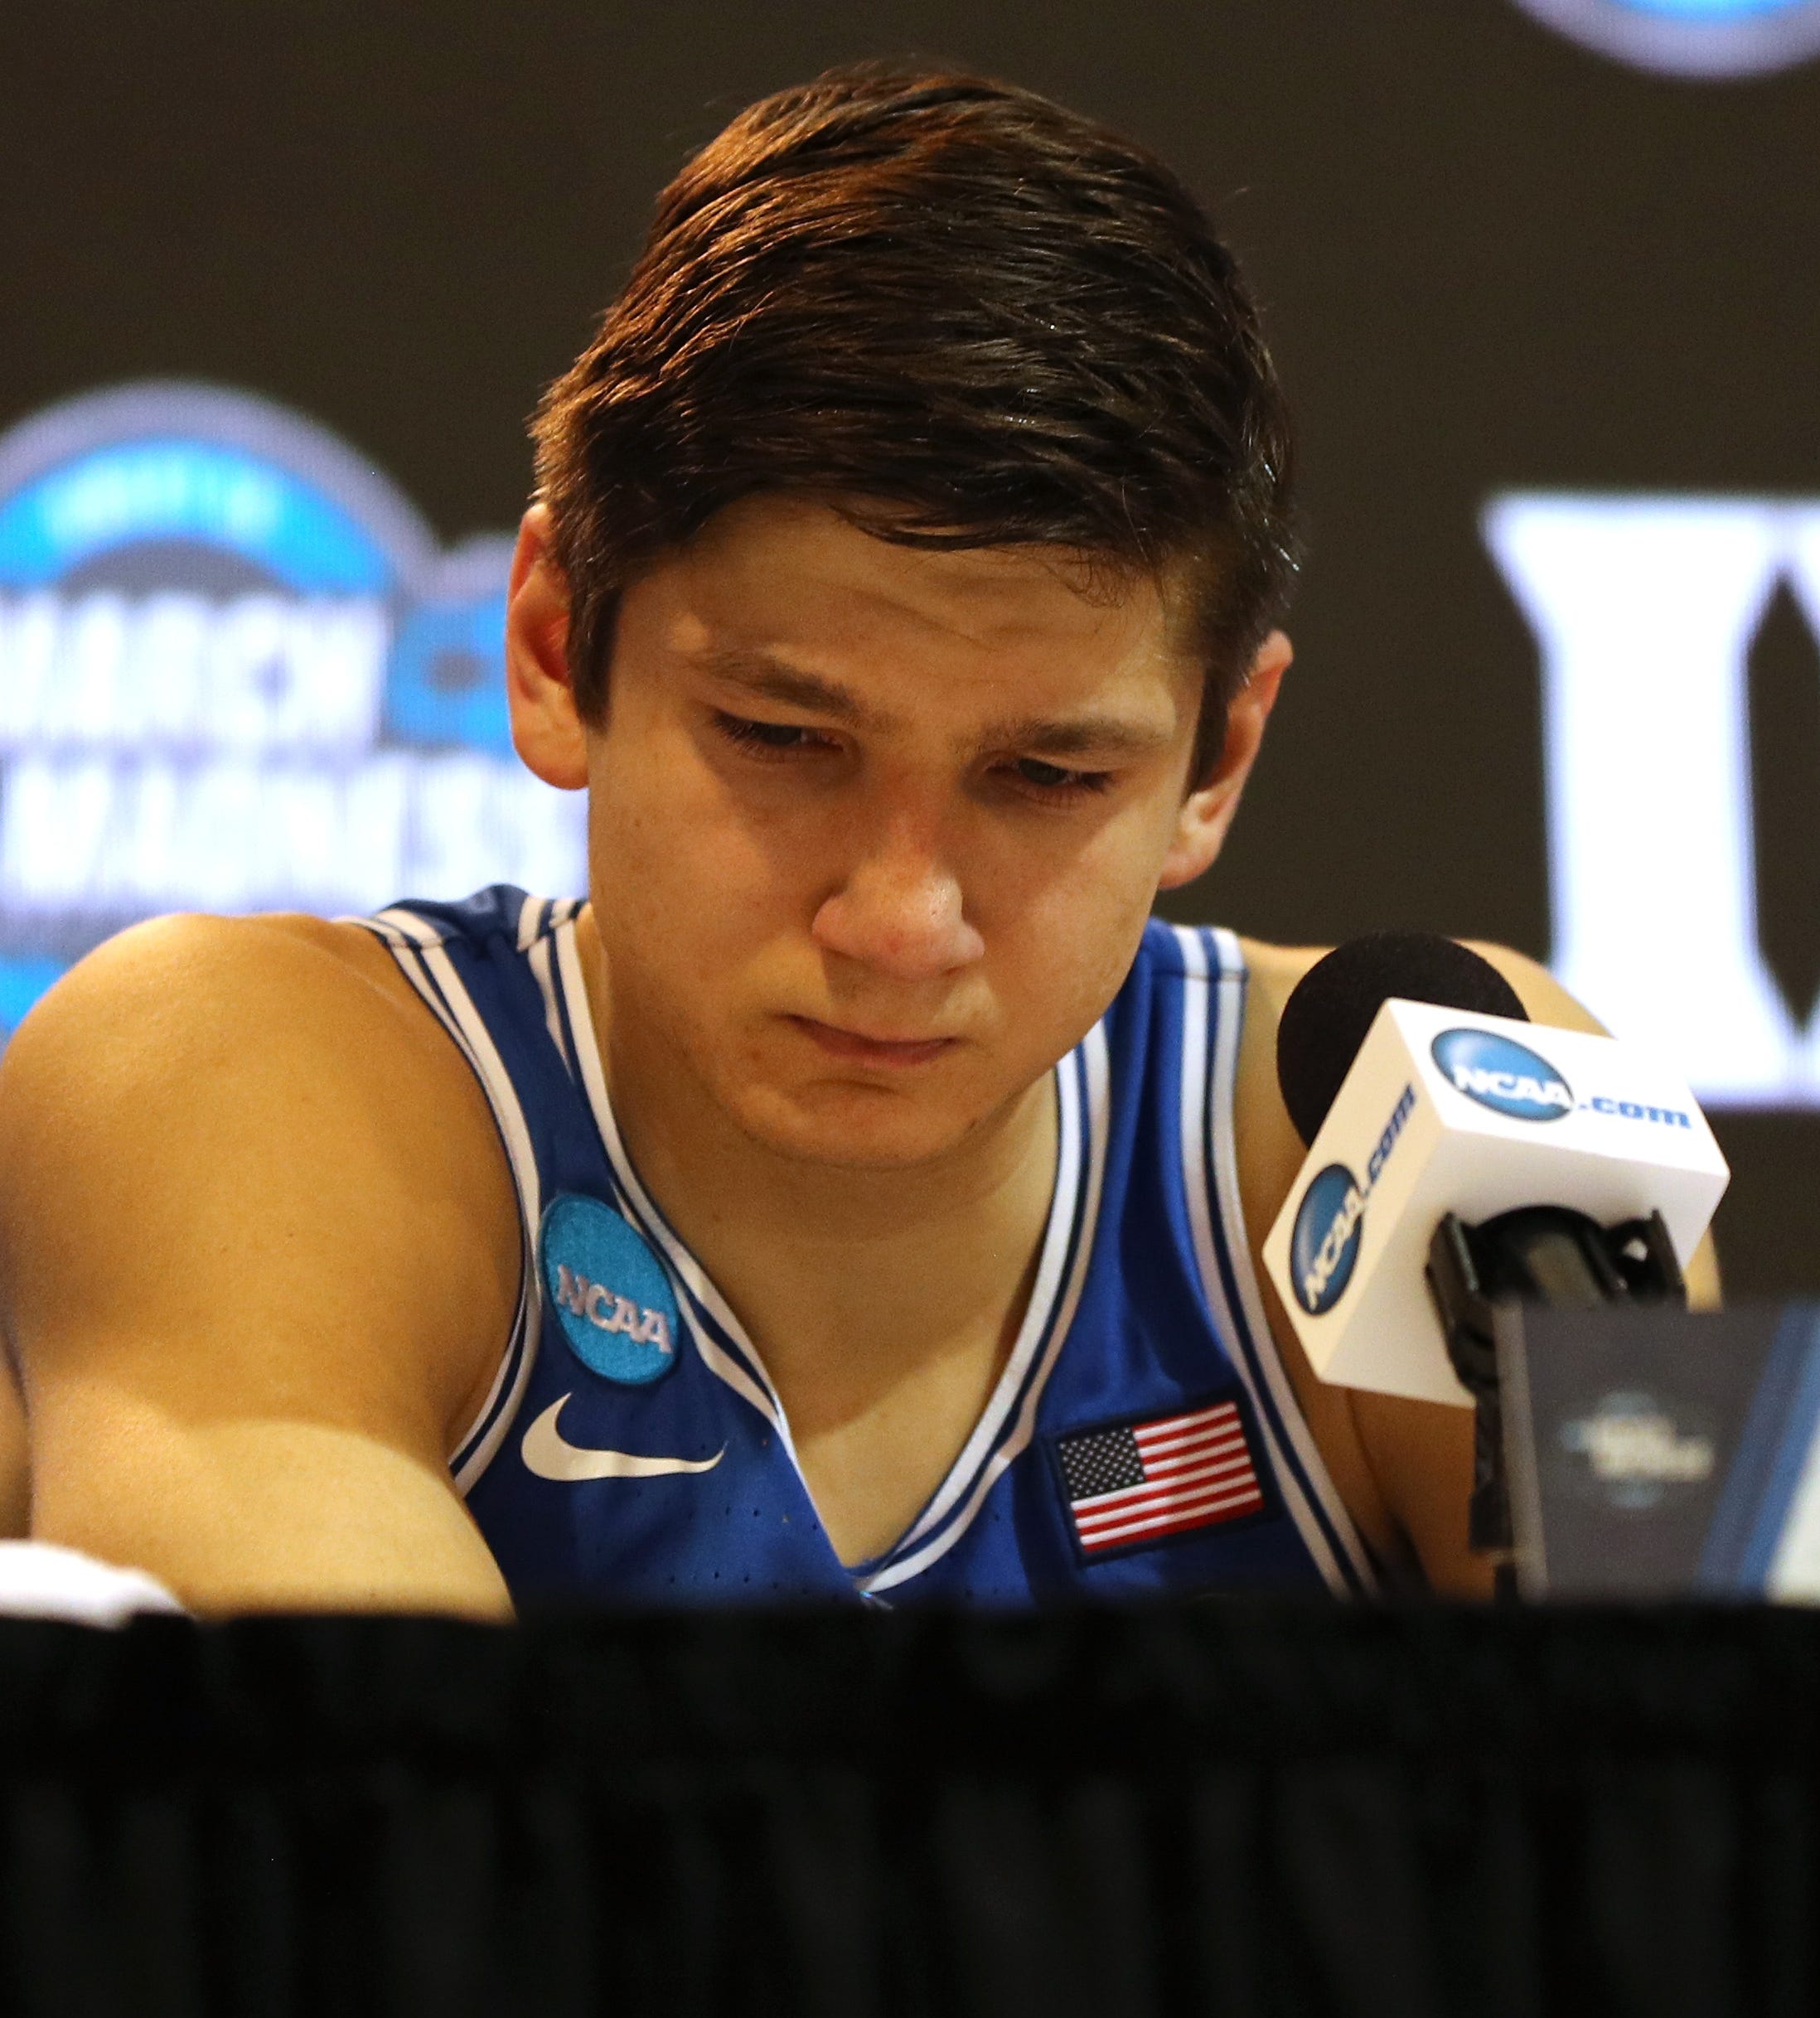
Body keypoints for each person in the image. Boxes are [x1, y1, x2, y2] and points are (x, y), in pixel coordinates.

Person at [0, 65, 1710, 1616]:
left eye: (1042, 776)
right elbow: (374, 1849)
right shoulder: (245, 1078)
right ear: (548, 645)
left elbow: (1758, 1844)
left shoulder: (1435, 1140)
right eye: (786, 740)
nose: (900, 919)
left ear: (1219, 757)